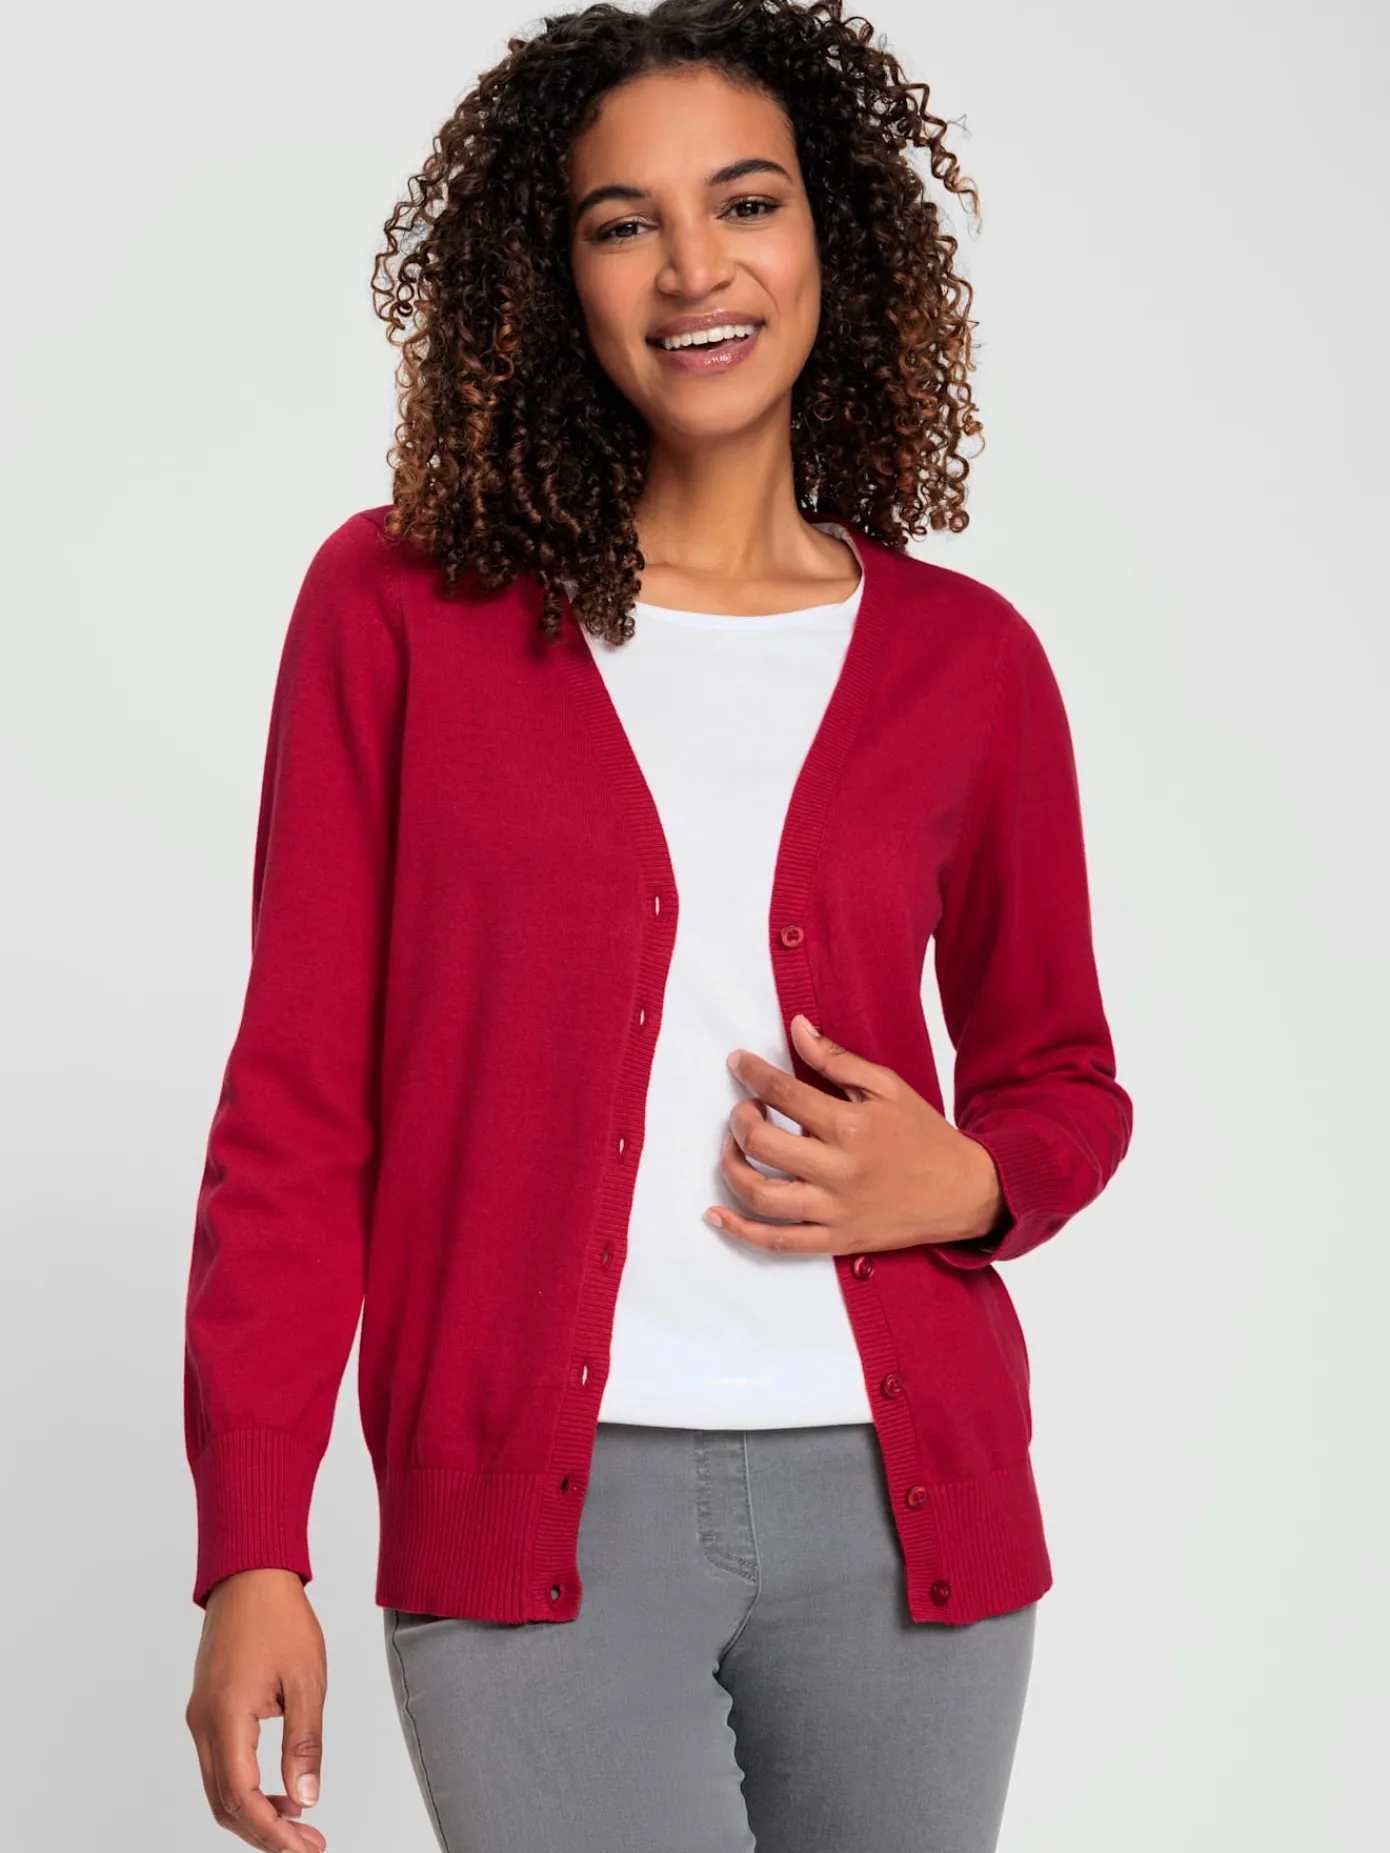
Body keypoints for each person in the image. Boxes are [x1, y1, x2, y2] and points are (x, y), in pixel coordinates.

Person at [182, 2, 1134, 1849]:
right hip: (536, 1525)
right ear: (553, 277)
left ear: (832, 235)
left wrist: (967, 1183)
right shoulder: (397, 610)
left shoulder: (968, 664)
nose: (695, 268)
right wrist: (254, 1548)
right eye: (623, 223)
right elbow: (295, 1110)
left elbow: (1063, 1078)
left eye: (745, 202)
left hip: (905, 1520)